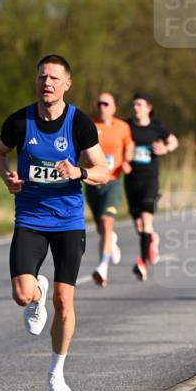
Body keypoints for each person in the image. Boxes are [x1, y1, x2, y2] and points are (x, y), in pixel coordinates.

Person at [0, 54, 110, 391]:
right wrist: (7, 177)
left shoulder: (79, 123)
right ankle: (35, 293)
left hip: (68, 222)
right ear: (36, 81)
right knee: (22, 294)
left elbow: (104, 171)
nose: (48, 83)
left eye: (55, 78)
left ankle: (57, 372)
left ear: (66, 84)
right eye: (43, 77)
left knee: (64, 301)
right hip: (29, 218)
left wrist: (79, 172)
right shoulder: (19, 121)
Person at [124, 92, 178, 281]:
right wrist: (123, 161)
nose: (135, 108)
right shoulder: (126, 126)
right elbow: (119, 145)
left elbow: (173, 141)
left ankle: (142, 262)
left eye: (139, 104)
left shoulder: (157, 127)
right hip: (131, 180)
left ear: (148, 107)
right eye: (134, 105)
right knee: (139, 225)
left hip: (150, 179)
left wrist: (165, 148)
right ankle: (151, 237)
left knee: (146, 219)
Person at [85, 92, 134, 286]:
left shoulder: (122, 127)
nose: (102, 107)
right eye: (99, 104)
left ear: (113, 108)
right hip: (92, 181)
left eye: (106, 104)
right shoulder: (89, 125)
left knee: (106, 222)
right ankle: (111, 239)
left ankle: (102, 268)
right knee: (101, 227)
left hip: (112, 181)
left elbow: (128, 147)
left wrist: (128, 161)